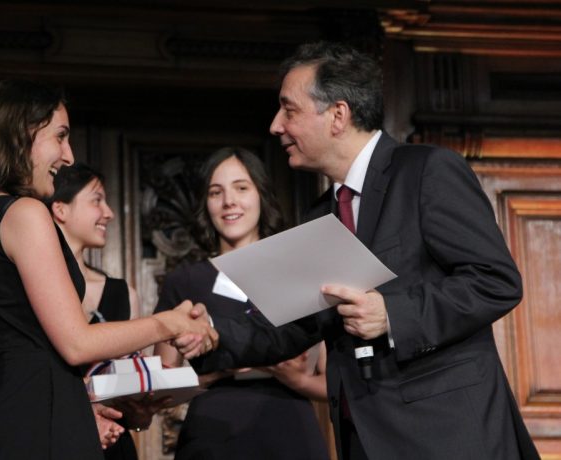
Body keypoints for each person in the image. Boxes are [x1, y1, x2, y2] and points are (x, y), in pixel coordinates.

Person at [188, 42, 540, 460]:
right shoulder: (319, 214)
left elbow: (495, 281)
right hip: (363, 440)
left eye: (289, 110)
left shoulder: (427, 170)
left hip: (448, 434)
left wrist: (391, 313)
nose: (276, 126)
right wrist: (208, 334)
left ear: (338, 114)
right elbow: (291, 324)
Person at [0, 79, 217, 460]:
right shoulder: (25, 213)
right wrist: (171, 324)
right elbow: (77, 344)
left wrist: (71, 407)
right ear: (23, 131)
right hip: (44, 441)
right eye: (60, 136)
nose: (68, 155)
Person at [154, 146, 330, 460]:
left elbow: (335, 384)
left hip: (290, 432)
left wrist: (298, 379)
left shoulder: (299, 272)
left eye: (241, 188)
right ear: (205, 205)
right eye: (215, 192)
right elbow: (159, 387)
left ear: (261, 195)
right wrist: (208, 376)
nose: (229, 202)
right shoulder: (185, 281)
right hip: (212, 435)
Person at [48, 162, 167, 459]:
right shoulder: (30, 290)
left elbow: (132, 406)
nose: (109, 213)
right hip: (48, 441)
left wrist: (140, 414)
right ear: (60, 209)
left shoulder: (123, 294)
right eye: (97, 200)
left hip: (111, 449)